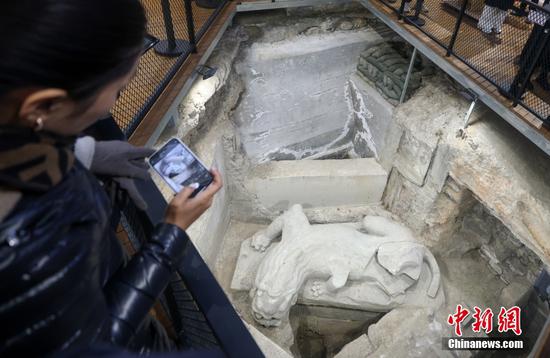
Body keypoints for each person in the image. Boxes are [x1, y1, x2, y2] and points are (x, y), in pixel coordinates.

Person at [0, 0, 223, 356]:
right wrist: (171, 232)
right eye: (118, 88)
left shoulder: (21, 135)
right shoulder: (33, 255)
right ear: (42, 107)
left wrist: (84, 155)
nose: (111, 105)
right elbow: (101, 337)